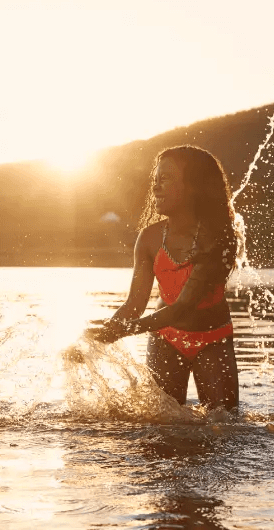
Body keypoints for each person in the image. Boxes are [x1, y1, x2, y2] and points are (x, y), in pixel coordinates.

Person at [88, 146, 241, 410]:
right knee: (162, 426)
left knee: (224, 426)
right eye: (155, 180)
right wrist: (101, 336)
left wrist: (123, 330)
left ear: (194, 186)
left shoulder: (220, 238)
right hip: (165, 339)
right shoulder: (149, 238)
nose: (156, 188)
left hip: (213, 339)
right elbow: (133, 305)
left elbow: (182, 308)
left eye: (166, 179)